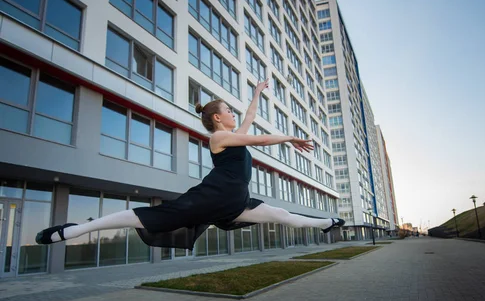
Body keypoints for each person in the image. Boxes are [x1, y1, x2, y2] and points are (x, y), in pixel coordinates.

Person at [36, 79, 344, 250]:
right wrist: (290, 137)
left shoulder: (232, 134)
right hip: (213, 196)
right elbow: (259, 141)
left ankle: (326, 224)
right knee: (149, 217)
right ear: (217, 118)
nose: (235, 116)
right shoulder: (219, 140)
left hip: (236, 202)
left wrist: (256, 94)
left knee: (280, 214)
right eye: (229, 112)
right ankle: (75, 230)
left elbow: (249, 120)